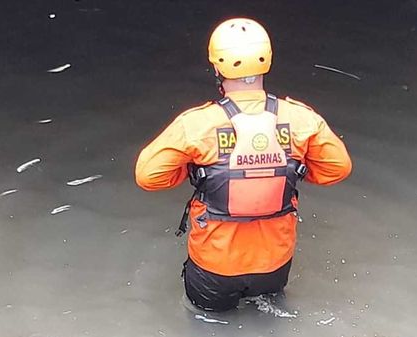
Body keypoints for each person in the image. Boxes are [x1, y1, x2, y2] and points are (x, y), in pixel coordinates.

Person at [135, 18, 352, 312]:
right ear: (267, 61)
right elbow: (337, 169)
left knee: (204, 328)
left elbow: (148, 177)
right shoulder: (301, 119)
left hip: (214, 266)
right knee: (272, 321)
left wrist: (196, 171)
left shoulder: (197, 124)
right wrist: (289, 167)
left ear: (217, 67)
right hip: (274, 264)